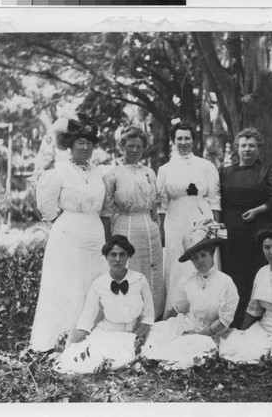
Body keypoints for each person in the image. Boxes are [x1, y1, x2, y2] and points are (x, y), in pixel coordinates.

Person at [30, 114, 108, 352]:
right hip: (68, 234)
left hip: (94, 232)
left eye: (89, 143)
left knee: (92, 281)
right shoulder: (60, 172)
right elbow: (46, 205)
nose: (85, 147)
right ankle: (61, 334)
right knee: (67, 284)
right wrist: (62, 220)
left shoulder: (98, 172)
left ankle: (91, 331)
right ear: (70, 145)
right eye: (80, 142)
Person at [142, 222, 239, 369]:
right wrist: (167, 324)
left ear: (212, 254)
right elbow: (179, 308)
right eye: (195, 258)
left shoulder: (225, 282)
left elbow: (224, 321)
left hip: (210, 332)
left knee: (189, 350)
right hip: (185, 324)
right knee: (156, 335)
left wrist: (197, 335)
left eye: (203, 255)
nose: (200, 261)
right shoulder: (189, 282)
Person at [54, 235, 155, 373]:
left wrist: (138, 336)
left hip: (134, 331)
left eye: (122, 255)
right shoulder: (99, 284)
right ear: (106, 257)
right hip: (107, 333)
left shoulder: (139, 280)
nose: (117, 259)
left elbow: (148, 315)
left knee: (149, 352)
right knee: (95, 359)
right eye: (113, 255)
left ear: (128, 256)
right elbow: (86, 320)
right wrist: (71, 346)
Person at [220, 128, 272, 326]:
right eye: (243, 146)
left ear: (258, 149)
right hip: (232, 232)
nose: (247, 150)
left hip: (260, 230)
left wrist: (258, 210)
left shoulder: (268, 170)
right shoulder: (225, 172)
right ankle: (233, 319)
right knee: (234, 275)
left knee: (257, 274)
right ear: (237, 148)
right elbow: (218, 200)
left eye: (252, 146)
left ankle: (256, 319)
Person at [157, 121, 221, 318]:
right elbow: (162, 203)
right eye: (179, 138)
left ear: (193, 140)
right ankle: (175, 310)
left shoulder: (206, 166)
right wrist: (161, 229)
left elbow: (215, 200)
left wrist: (216, 229)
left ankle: (206, 310)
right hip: (175, 220)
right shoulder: (165, 169)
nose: (183, 142)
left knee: (203, 258)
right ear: (173, 141)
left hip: (201, 217)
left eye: (187, 138)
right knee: (178, 263)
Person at [218, 225, 272, 364]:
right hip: (262, 328)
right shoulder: (262, 272)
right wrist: (242, 333)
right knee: (230, 344)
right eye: (267, 247)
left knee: (251, 355)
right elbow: (253, 309)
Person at [102, 126, 165, 319]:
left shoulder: (149, 172)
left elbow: (156, 201)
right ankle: (129, 317)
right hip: (126, 227)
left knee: (152, 271)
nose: (134, 150)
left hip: (150, 230)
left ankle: (152, 315)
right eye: (130, 146)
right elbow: (106, 210)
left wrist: (154, 218)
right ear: (122, 146)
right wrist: (108, 239)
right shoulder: (113, 174)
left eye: (138, 146)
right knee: (131, 269)